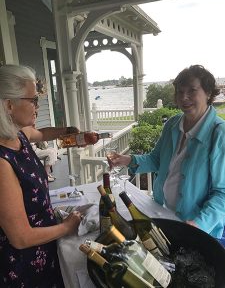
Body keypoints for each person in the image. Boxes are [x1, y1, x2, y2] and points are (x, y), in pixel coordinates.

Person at [109, 64, 225, 246]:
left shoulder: (219, 134)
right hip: (162, 213)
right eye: (180, 91)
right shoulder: (173, 124)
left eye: (192, 91)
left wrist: (199, 224)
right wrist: (128, 160)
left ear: (208, 93)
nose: (184, 97)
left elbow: (222, 193)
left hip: (198, 229)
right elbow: (156, 159)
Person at [0, 64, 82, 287]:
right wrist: (67, 227)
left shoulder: (19, 136)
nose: (38, 105)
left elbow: (43, 133)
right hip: (24, 265)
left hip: (45, 245)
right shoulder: (2, 162)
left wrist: (68, 131)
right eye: (34, 100)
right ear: (9, 105)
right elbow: (20, 237)